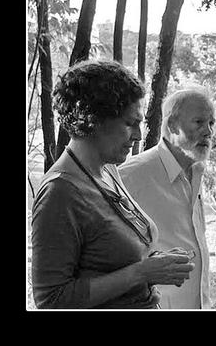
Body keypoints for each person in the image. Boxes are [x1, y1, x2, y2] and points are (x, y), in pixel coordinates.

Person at [31, 60, 195, 309]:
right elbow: (51, 300)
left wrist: (156, 264)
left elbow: (109, 257)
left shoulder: (108, 170)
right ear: (92, 119)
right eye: (130, 124)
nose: (139, 135)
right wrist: (141, 273)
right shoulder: (60, 193)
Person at [119, 88, 215, 309]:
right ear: (172, 126)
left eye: (211, 123)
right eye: (199, 122)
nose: (208, 131)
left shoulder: (197, 171)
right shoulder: (131, 176)